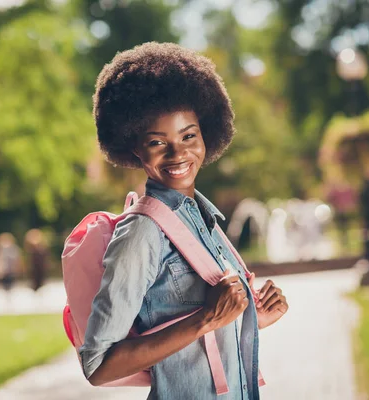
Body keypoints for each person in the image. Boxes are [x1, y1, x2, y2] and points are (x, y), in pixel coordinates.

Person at [81, 42, 289, 400]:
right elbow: (98, 366)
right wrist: (207, 319)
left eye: (188, 135)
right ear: (135, 148)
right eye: (157, 142)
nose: (178, 153)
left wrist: (252, 317)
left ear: (206, 133)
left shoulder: (203, 218)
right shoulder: (142, 232)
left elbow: (206, 337)